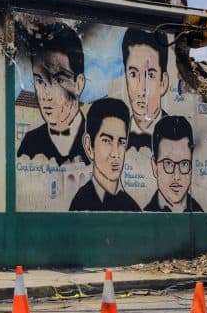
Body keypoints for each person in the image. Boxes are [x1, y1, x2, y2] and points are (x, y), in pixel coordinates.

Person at [17, 22, 89, 165]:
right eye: (39, 81)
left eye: (58, 80)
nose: (46, 95)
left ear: (79, 84)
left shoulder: (96, 139)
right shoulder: (30, 142)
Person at [69, 97, 140, 211]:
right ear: (89, 147)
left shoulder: (132, 207)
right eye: (107, 141)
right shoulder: (80, 204)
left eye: (121, 142)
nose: (115, 153)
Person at [121, 28, 169, 150]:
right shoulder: (115, 134)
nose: (141, 90)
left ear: (163, 83)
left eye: (150, 75)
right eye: (133, 74)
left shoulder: (176, 134)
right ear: (125, 77)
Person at [144, 116, 203, 212]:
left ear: (191, 167)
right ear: (155, 167)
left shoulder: (201, 215)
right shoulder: (144, 217)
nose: (176, 176)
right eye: (168, 163)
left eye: (184, 164)